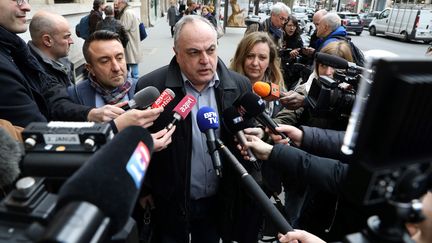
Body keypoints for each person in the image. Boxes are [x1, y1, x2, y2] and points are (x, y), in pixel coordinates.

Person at [135, 15, 259, 243]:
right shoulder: (152, 87)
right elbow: (139, 141)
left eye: (211, 50)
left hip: (217, 201)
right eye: (194, 52)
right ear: (176, 52)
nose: (205, 60)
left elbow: (246, 135)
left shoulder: (239, 85)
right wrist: (144, 189)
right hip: (170, 201)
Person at [0, 0, 122, 127]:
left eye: (119, 57)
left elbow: (54, 99)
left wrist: (90, 113)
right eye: (66, 36)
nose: (27, 6)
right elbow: (37, 129)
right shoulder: (19, 62)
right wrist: (107, 126)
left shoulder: (19, 53)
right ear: (47, 40)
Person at [67, 30, 173, 150]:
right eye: (105, 61)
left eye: (119, 57)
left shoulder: (144, 88)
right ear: (90, 68)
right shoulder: (74, 96)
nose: (116, 68)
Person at [230, 31, 285, 118]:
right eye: (250, 56)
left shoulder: (279, 90)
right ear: (241, 58)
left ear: (270, 62)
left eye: (262, 58)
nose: (255, 63)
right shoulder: (226, 88)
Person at [28, 10, 75, 87]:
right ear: (47, 40)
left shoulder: (60, 59)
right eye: (66, 37)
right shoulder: (36, 74)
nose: (71, 41)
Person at [114, 0, 142, 79]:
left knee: (133, 63)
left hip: (130, 42)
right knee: (131, 63)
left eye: (119, 3)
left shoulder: (127, 13)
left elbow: (125, 27)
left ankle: (136, 84)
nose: (117, 5)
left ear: (123, 3)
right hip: (132, 41)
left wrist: (117, 23)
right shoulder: (129, 11)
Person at [281, 15, 305, 89]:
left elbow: (301, 52)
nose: (292, 28)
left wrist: (298, 51)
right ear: (284, 25)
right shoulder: (280, 36)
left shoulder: (298, 38)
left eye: (294, 26)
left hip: (292, 73)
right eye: (289, 25)